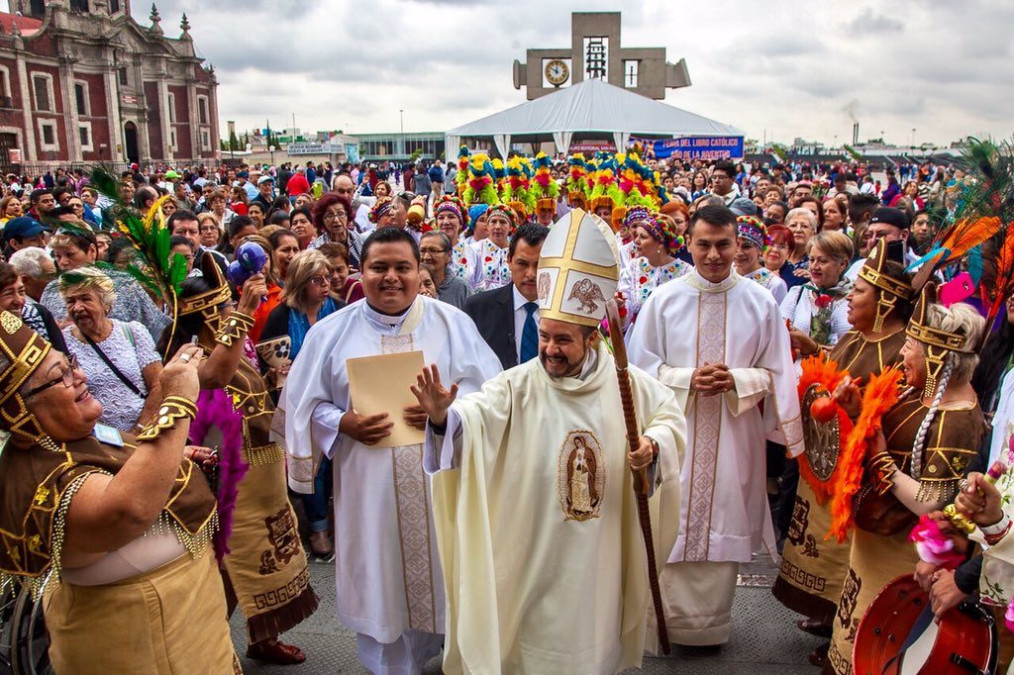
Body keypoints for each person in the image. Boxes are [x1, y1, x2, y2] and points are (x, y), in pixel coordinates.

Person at [412, 209, 685, 673]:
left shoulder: (627, 383)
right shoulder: (517, 385)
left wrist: (654, 445)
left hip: (599, 547)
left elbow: (668, 417)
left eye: (563, 340)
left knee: (592, 635)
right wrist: (444, 418)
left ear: (592, 339)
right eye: (544, 336)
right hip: (533, 544)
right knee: (534, 641)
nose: (550, 350)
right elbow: (476, 416)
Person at [279, 227, 501, 674]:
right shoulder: (331, 333)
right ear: (361, 272)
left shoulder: (452, 324)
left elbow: (492, 398)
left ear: (421, 271)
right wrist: (343, 422)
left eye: (403, 267)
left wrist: (446, 415)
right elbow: (302, 405)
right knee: (382, 586)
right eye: (379, 267)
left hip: (440, 486)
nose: (392, 277)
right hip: (369, 490)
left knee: (445, 581)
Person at [0, 314, 236, 672]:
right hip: (141, 647)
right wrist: (177, 402)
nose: (79, 377)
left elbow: (122, 453)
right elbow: (125, 510)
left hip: (183, 630)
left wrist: (174, 456)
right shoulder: (40, 470)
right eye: (58, 377)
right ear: (18, 410)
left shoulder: (70, 435)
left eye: (71, 365)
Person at [627, 204, 804, 647]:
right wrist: (686, 378)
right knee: (672, 521)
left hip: (733, 436)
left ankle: (713, 628)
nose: (713, 255)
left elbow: (779, 371)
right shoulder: (663, 301)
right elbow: (638, 370)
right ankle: (662, 624)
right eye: (703, 244)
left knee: (723, 518)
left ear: (737, 244)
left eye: (723, 244)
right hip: (675, 435)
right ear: (688, 243)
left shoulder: (760, 302)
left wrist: (737, 379)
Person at [166, 253, 318, 664]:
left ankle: (262, 638)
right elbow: (213, 378)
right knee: (226, 573)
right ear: (207, 315)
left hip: (260, 466)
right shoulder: (188, 354)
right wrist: (244, 316)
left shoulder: (233, 340)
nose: (234, 312)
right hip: (223, 476)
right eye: (226, 308)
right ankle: (210, 656)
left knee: (268, 557)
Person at [825, 288, 987, 674]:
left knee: (876, 644)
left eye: (910, 346)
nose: (901, 354)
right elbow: (894, 435)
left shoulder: (957, 419)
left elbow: (932, 501)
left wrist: (881, 462)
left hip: (904, 554)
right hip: (876, 544)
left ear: (935, 356)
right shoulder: (925, 394)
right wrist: (858, 412)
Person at [771, 241, 914, 667]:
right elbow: (838, 369)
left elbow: (899, 409)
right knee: (821, 546)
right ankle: (824, 612)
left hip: (862, 470)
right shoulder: (856, 337)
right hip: (827, 463)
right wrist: (812, 349)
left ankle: (840, 625)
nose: (849, 297)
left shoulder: (902, 349)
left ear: (886, 301)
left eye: (859, 292)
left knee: (848, 558)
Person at [260, 249, 342, 560]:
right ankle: (318, 528)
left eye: (327, 278)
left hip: (335, 397)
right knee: (312, 466)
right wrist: (274, 370)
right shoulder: (282, 315)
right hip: (298, 401)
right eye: (316, 280)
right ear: (299, 282)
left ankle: (341, 523)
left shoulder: (337, 309)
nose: (325, 285)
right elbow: (266, 359)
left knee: (338, 462)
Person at [59, 267, 163, 433]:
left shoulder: (133, 332)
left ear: (105, 303)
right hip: (99, 441)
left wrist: (139, 430)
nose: (77, 307)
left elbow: (158, 384)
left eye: (86, 299)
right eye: (71, 301)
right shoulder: (62, 343)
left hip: (146, 431)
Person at [40, 229, 171, 342]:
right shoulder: (51, 291)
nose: (63, 262)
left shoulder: (123, 283)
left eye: (70, 254)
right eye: (57, 256)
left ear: (92, 251)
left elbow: (157, 328)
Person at [464, 223, 549, 370]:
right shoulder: (478, 310)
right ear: (509, 260)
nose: (531, 274)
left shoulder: (567, 313)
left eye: (539, 265)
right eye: (522, 264)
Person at [616, 207, 692, 331]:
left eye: (643, 237)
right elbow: (626, 317)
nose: (636, 241)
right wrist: (620, 308)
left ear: (660, 242)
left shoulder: (686, 272)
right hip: (637, 338)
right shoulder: (634, 267)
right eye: (636, 236)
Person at [781, 230, 854, 356]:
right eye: (811, 259)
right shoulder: (797, 293)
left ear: (842, 264)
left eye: (822, 261)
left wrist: (814, 348)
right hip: (799, 370)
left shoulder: (855, 297)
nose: (814, 266)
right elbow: (779, 337)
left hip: (842, 370)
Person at [0, 260, 65, 350]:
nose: (19, 301)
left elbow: (64, 358)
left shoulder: (39, 314)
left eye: (21, 291)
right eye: (8, 294)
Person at [735, 216, 788, 303]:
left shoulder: (774, 284)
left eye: (746, 247)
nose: (739, 252)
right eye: (736, 245)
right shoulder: (725, 273)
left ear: (759, 250)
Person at [309, 193, 364, 267]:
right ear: (322, 220)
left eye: (340, 214)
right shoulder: (315, 248)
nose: (336, 220)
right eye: (329, 215)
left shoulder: (361, 241)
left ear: (348, 216)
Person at [419, 231, 470, 309]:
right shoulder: (410, 284)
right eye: (422, 251)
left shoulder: (460, 288)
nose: (426, 257)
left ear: (448, 255)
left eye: (433, 251)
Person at [474, 204, 515, 292]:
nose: (497, 227)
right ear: (487, 226)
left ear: (511, 227)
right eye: (493, 222)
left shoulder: (516, 251)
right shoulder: (476, 249)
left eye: (503, 222)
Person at [783, 207, 819, 289]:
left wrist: (814, 279)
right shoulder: (777, 255)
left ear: (813, 233)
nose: (798, 230)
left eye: (804, 226)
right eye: (793, 225)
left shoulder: (815, 261)